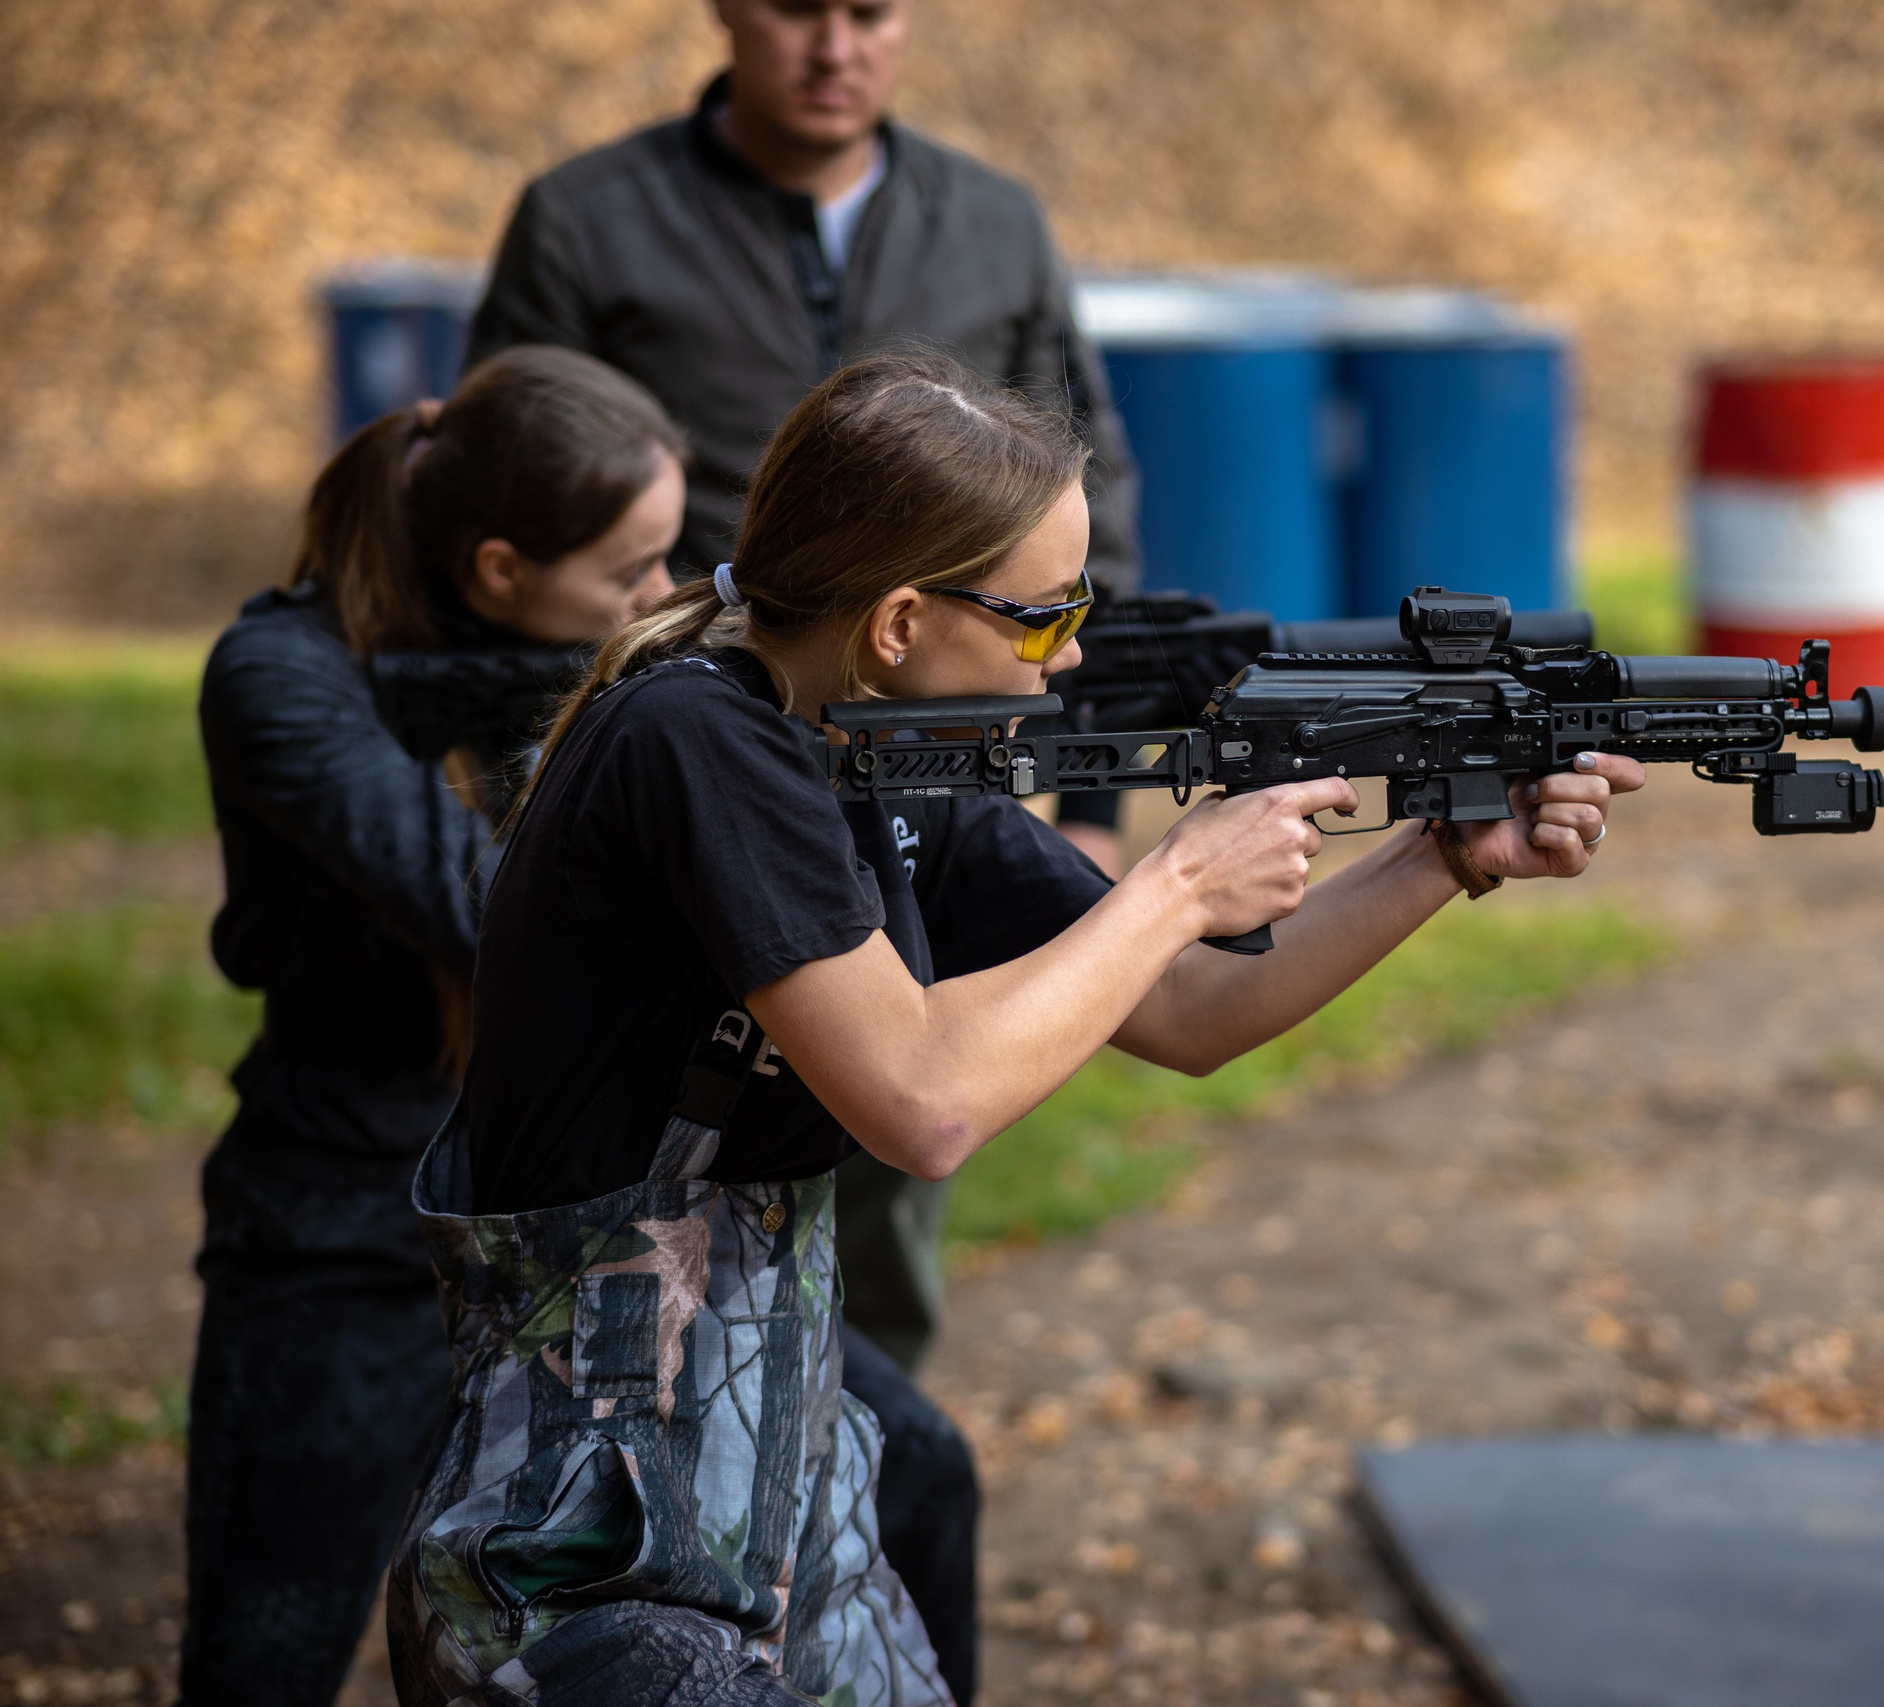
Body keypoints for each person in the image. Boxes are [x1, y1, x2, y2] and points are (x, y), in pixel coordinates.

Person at [385, 351, 1637, 1707]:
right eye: (1047, 618)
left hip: (769, 1471)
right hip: (591, 1522)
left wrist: (1440, 858)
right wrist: (1175, 884)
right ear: (899, 622)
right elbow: (922, 1101)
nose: (1075, 654)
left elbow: (1191, 1008)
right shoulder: (699, 738)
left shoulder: (877, 747)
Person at [468, 0, 1141, 1401]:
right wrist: (1179, 885)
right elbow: (512, 506)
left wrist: (1434, 848)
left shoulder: (992, 219)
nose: (834, 46)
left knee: (875, 1355)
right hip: (720, 756)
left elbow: (1088, 522)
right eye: (796, 9)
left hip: (877, 738)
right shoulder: (591, 219)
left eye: (868, 11)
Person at [184, 347, 686, 1706]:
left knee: (911, 1469)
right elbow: (486, 906)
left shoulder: (596, 663)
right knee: (264, 1660)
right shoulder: (280, 674)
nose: (663, 597)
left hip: (567, 1229)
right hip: (345, 1230)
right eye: (630, 571)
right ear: (501, 571)